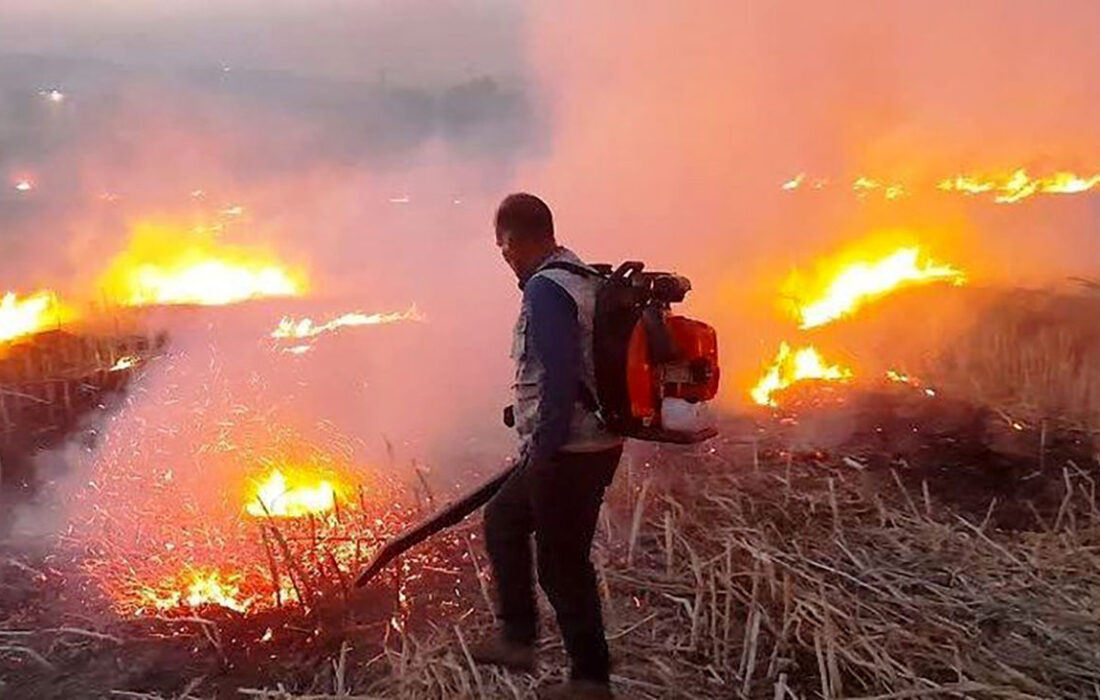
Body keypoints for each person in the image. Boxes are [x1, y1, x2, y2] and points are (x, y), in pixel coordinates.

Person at [470, 193, 624, 699]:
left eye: (503, 247)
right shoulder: (582, 277)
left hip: (568, 450)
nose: (504, 258)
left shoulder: (545, 290)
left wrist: (545, 446)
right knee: (505, 519)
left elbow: (559, 377)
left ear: (515, 240)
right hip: (596, 442)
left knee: (561, 563)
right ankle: (519, 637)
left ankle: (589, 681)